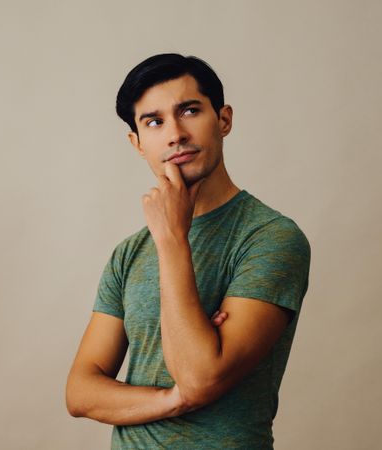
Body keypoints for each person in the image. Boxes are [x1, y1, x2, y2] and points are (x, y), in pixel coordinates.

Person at [66, 53, 311, 449]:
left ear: (224, 119)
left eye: (190, 110)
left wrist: (172, 240)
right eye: (154, 121)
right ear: (137, 142)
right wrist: (174, 398)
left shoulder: (270, 238)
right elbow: (80, 392)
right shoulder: (128, 253)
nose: (175, 133)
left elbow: (200, 377)